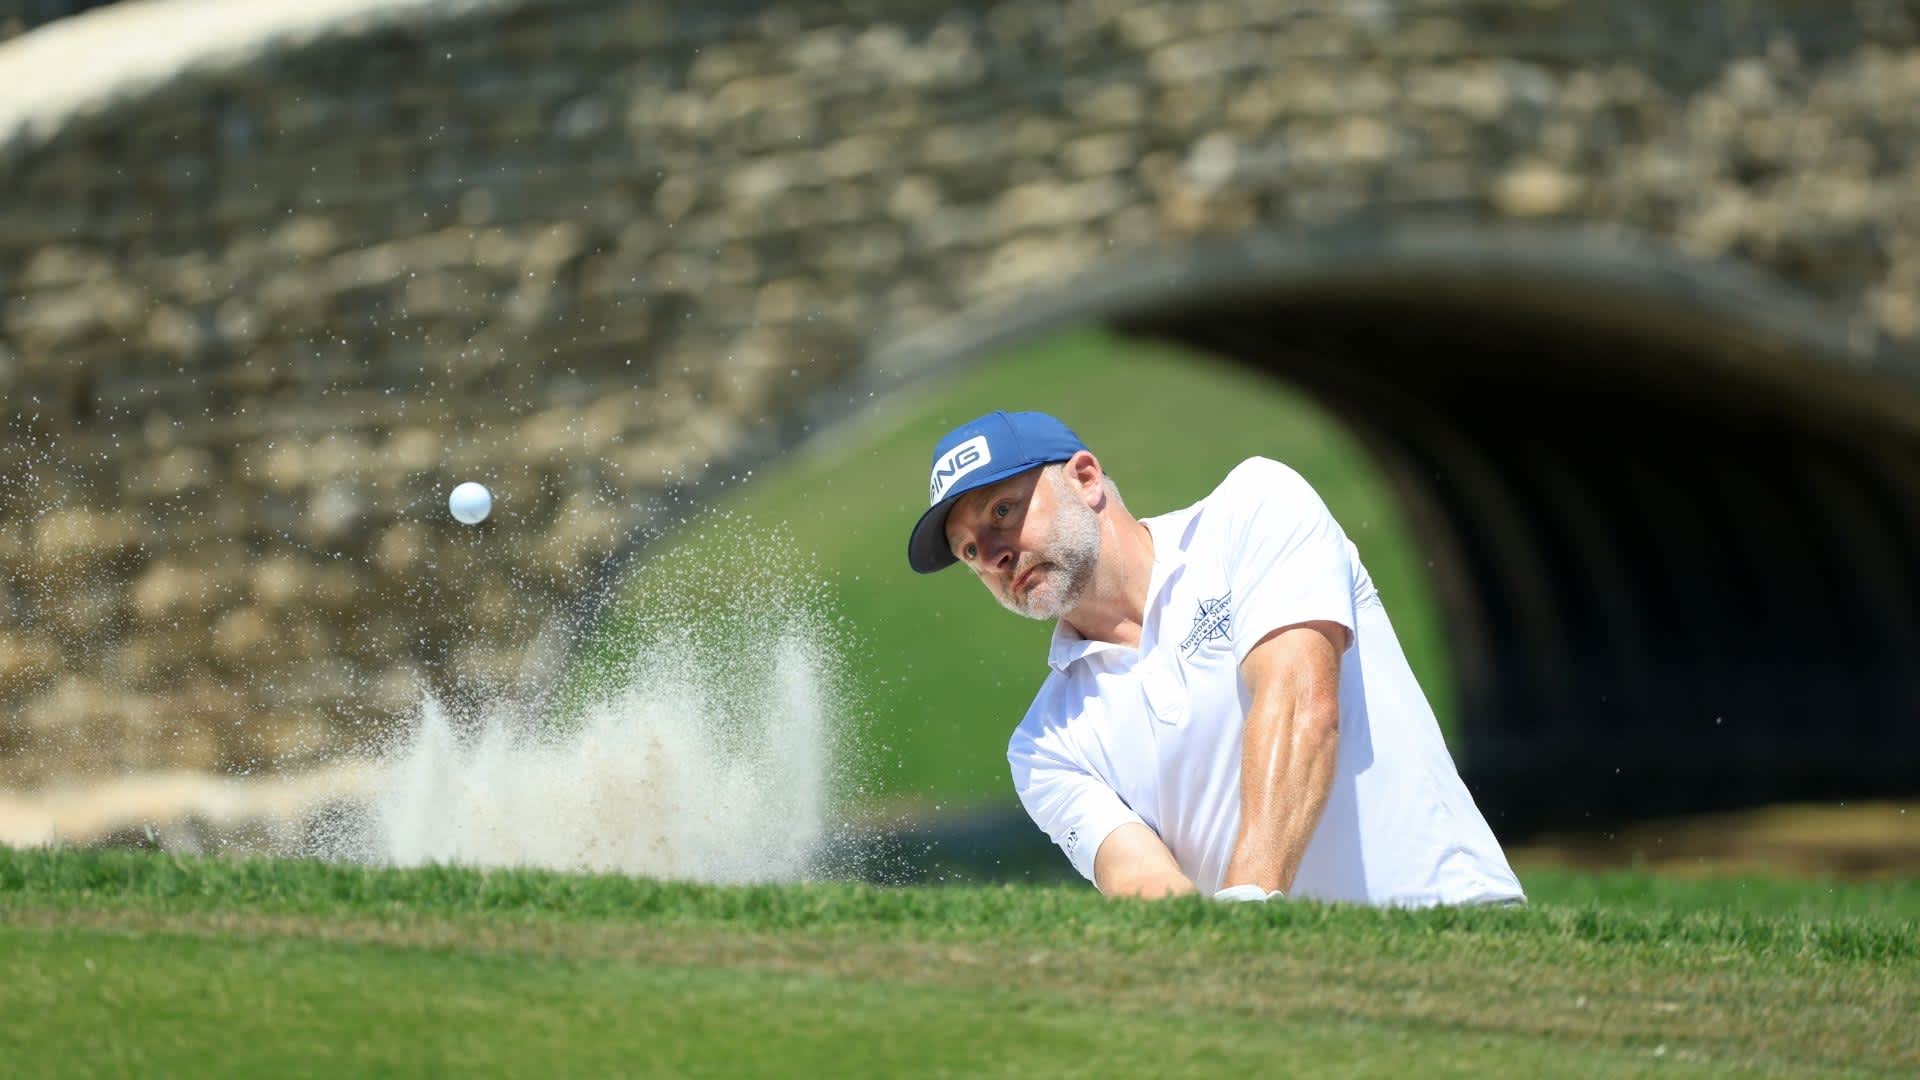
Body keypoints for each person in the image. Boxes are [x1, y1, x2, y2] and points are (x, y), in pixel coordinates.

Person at [907, 410, 1524, 906]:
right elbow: (1145, 886)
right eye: (967, 551)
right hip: (1291, 1006)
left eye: (1002, 512)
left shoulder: (1254, 508)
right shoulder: (1043, 746)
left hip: (1452, 926)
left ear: (1086, 479)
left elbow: (1302, 708)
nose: (992, 555)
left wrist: (1249, 903)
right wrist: (1236, 957)